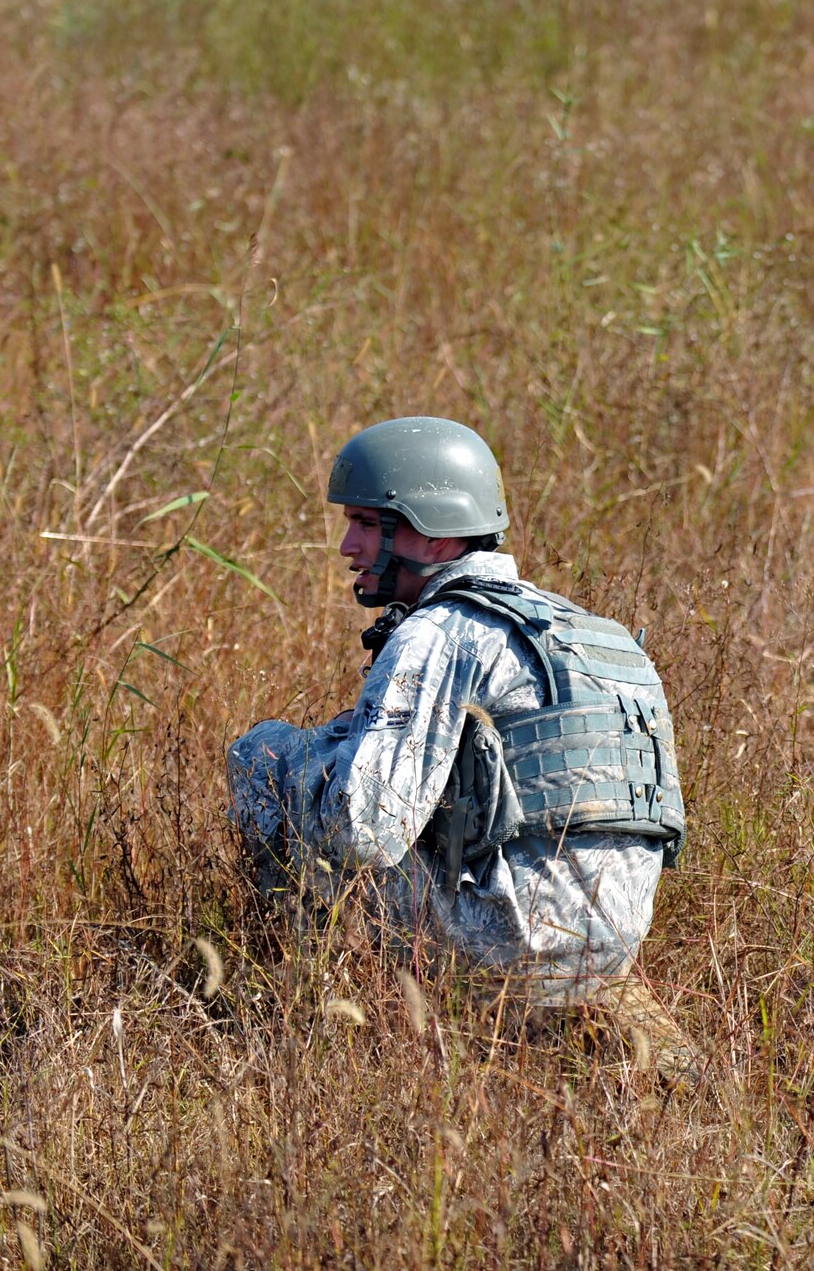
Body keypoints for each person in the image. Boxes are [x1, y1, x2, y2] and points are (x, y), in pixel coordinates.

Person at [227, 415, 696, 1081]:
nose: (346, 545)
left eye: (365, 522)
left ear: (431, 528)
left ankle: (289, 1015)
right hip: (611, 946)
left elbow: (365, 830)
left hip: (502, 944)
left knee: (264, 756)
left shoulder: (443, 631)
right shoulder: (596, 634)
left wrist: (311, 764)